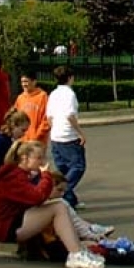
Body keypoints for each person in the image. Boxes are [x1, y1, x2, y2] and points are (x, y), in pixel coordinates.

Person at [0, 140, 104, 268]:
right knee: (58, 207)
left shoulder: (18, 174)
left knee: (58, 206)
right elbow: (37, 197)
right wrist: (46, 176)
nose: (42, 162)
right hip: (7, 228)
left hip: (13, 222)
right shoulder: (13, 177)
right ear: (24, 158)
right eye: (38, 158)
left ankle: (76, 249)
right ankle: (76, 254)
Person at [46, 65, 87, 207]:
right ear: (70, 78)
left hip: (56, 135)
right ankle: (60, 192)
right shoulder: (69, 94)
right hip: (68, 136)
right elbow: (70, 115)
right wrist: (80, 133)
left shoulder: (53, 94)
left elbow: (49, 117)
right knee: (78, 166)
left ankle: (70, 200)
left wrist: (55, 128)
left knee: (63, 169)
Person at [49, 170, 114, 241]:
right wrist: (93, 236)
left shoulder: (57, 201)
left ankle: (92, 228)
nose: (62, 194)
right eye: (59, 190)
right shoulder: (60, 203)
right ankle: (91, 229)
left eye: (64, 191)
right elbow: (76, 224)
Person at [0, 108, 30, 185]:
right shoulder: (0, 142)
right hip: (2, 180)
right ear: (14, 126)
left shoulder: (8, 140)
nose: (23, 134)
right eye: (23, 130)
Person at [14, 70, 50, 146]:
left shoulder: (42, 96)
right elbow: (14, 118)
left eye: (26, 81)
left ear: (34, 82)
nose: (24, 84)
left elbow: (46, 120)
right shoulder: (20, 98)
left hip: (38, 142)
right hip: (22, 141)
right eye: (22, 82)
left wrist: (36, 137)